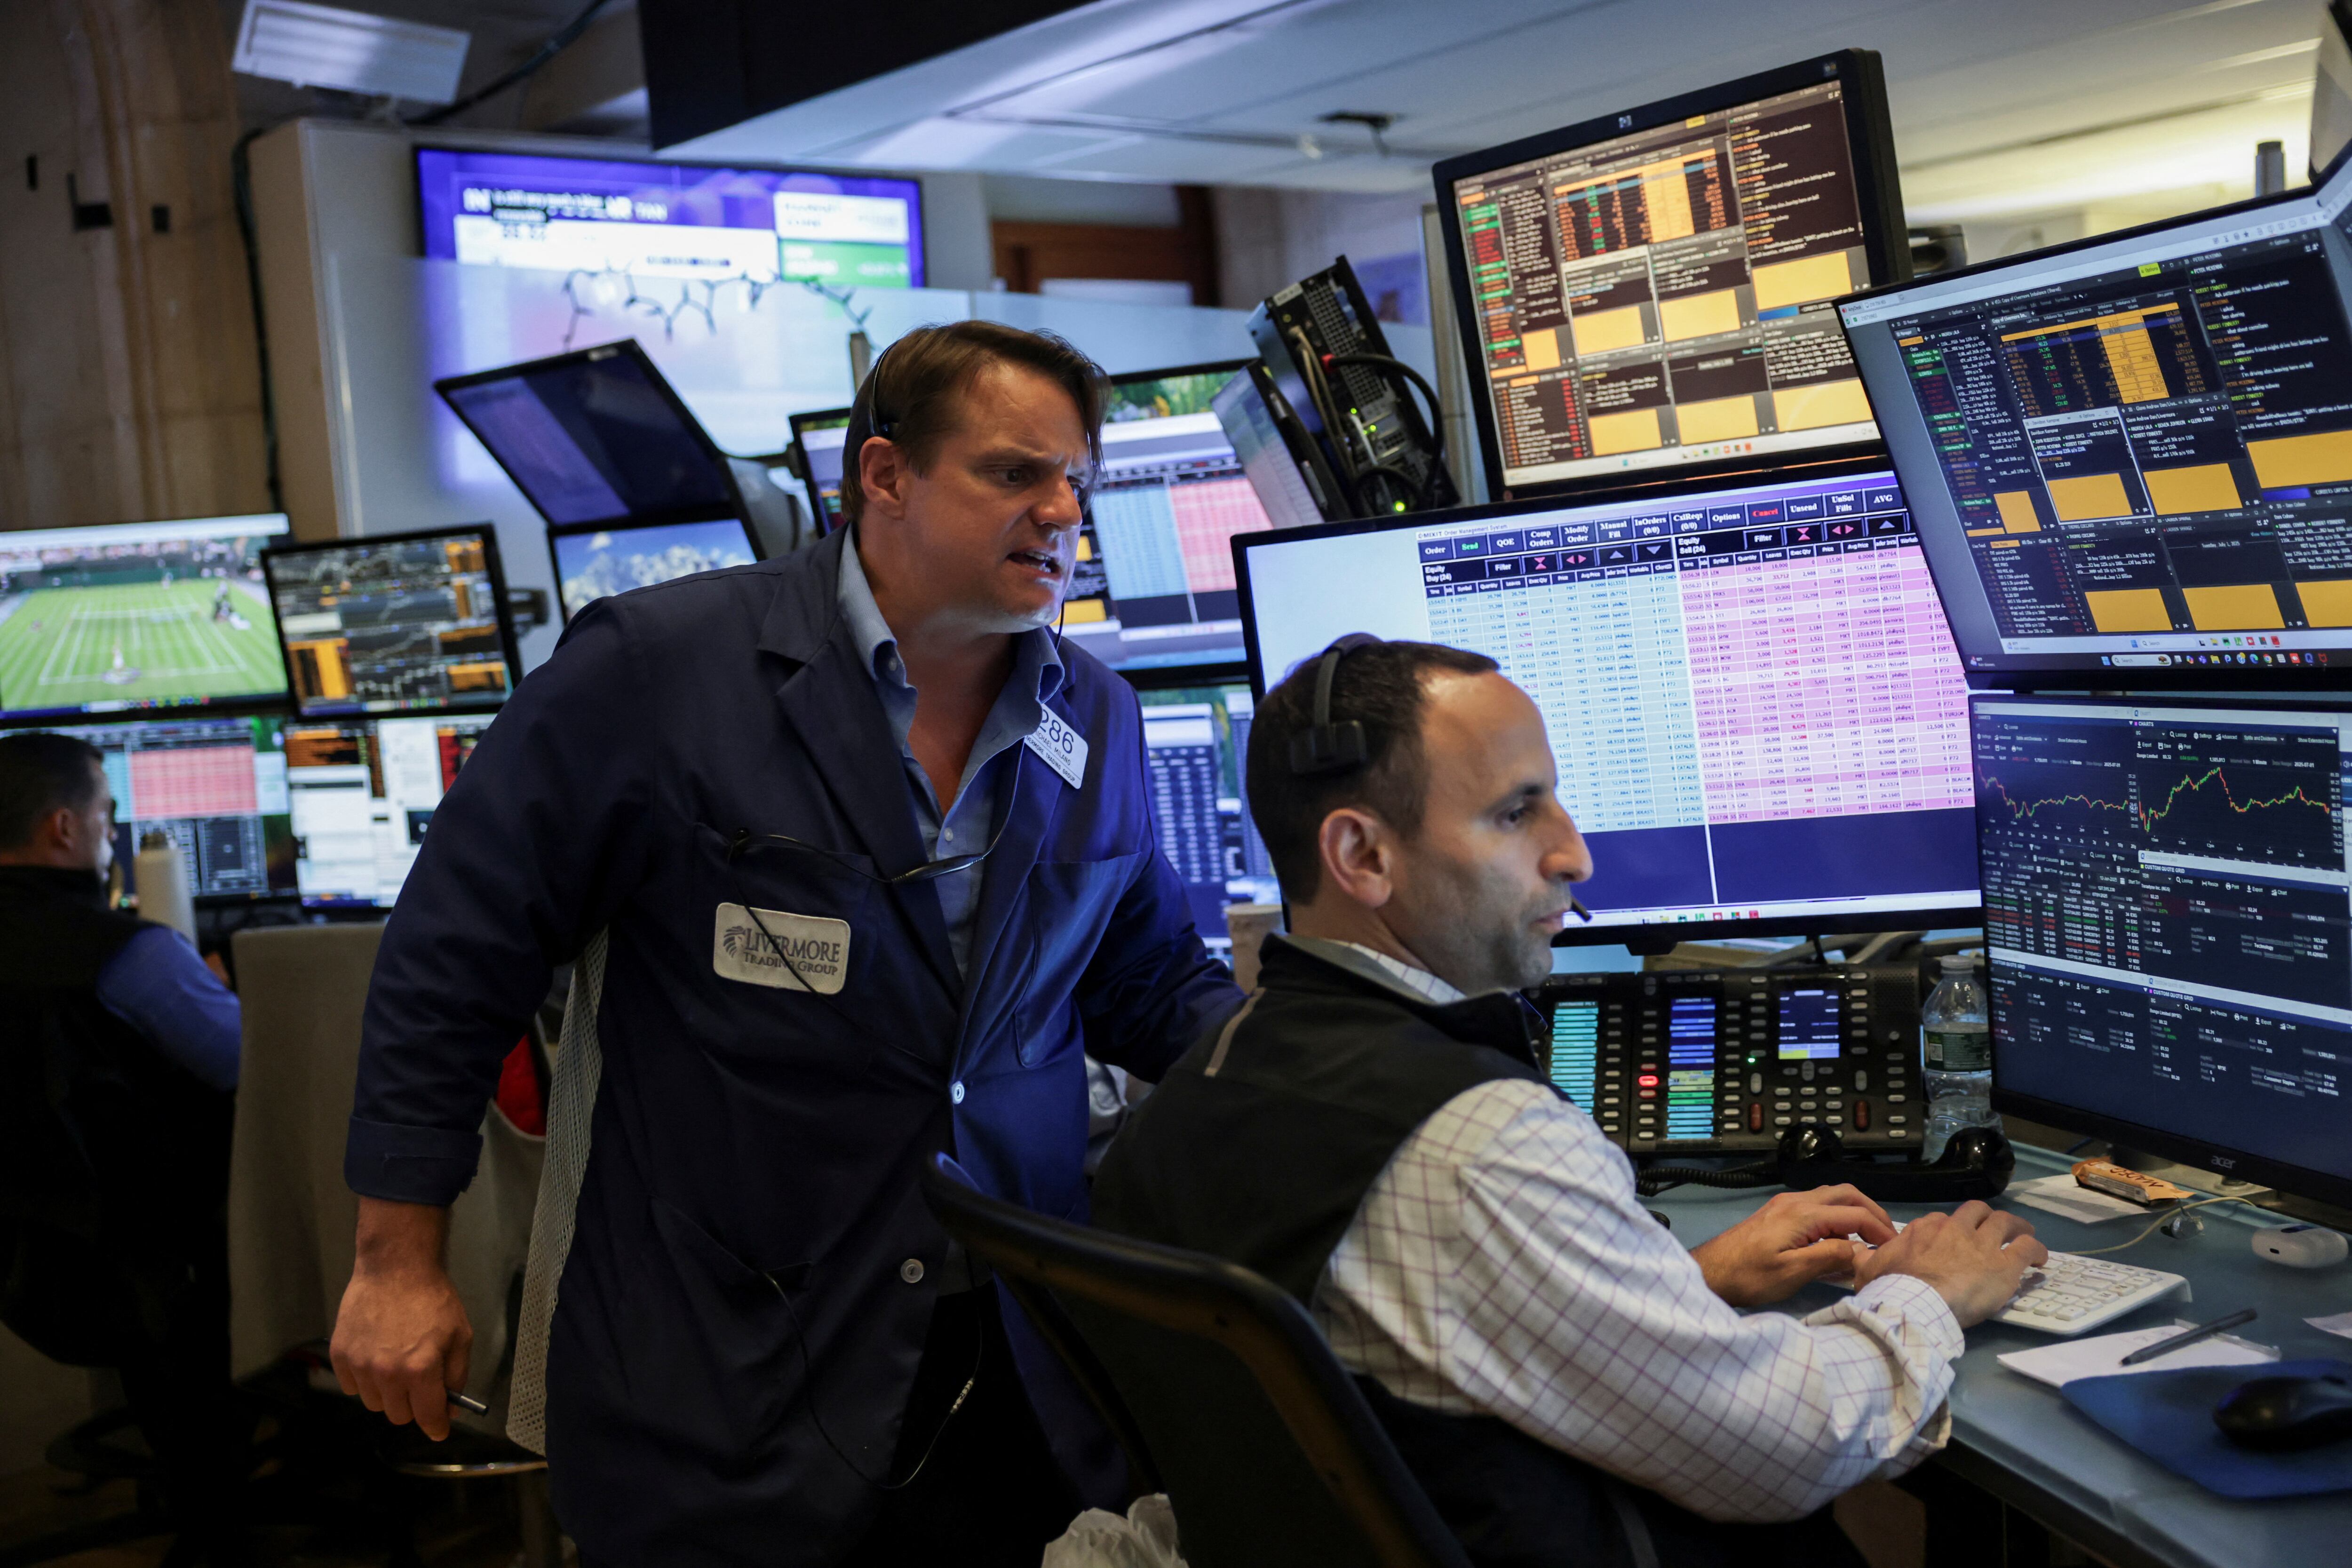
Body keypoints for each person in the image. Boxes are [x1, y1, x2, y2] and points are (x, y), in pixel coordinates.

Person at [331, 321, 1243, 1567]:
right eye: (1014, 472)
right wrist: (396, 1258)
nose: (1060, 508)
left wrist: (1328, 1067)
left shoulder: (1096, 711)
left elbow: (1143, 979)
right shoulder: (656, 670)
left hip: (1016, 1358)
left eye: (1077, 477)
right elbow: (456, 949)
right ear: (885, 476)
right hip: (732, 1362)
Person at [1092, 639, 2047, 1568]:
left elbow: (1401, 1341)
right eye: (1517, 812)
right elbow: (1793, 1442)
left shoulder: (1205, 1082)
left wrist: (1679, 1282)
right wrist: (1926, 1289)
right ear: (1362, 854)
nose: (1574, 854)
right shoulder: (1477, 1142)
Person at [0, 732, 246, 1565]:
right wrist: (207, 987)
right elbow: (252, 1066)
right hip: (159, 1260)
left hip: (29, 1262)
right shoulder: (131, 955)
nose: (112, 833)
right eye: (107, 815)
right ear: (65, 827)